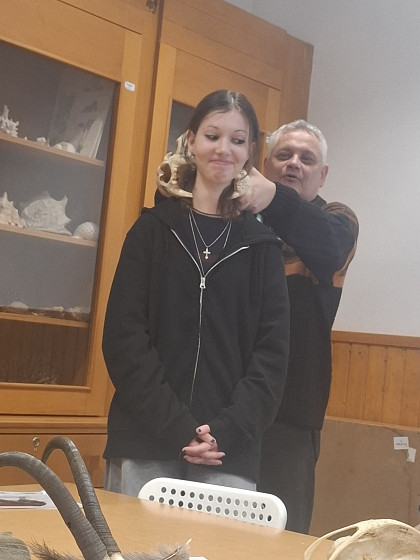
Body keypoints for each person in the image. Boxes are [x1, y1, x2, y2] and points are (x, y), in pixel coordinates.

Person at [102, 90, 290, 496]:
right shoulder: (151, 231)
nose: (223, 149)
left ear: (249, 152)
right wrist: (178, 428)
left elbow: (272, 356)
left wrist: (225, 431)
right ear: (191, 141)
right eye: (212, 135)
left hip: (229, 451)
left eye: (237, 140)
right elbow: (123, 339)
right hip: (144, 439)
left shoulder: (263, 247)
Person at [241, 119, 359, 533]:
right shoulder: (237, 218)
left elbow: (329, 249)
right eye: (284, 155)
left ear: (322, 174)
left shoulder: (337, 220)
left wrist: (272, 198)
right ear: (265, 165)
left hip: (291, 414)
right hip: (226, 409)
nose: (294, 164)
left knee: (281, 539)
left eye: (306, 159)